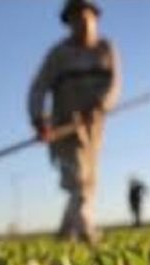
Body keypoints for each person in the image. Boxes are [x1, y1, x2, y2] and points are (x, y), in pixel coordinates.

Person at [28, 0, 121, 243]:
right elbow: (38, 88)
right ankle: (85, 230)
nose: (81, 23)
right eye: (75, 18)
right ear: (68, 22)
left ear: (95, 18)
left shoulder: (106, 49)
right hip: (64, 129)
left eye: (85, 17)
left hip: (93, 130)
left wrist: (100, 105)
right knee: (78, 178)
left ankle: (65, 231)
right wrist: (39, 119)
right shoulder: (59, 55)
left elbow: (113, 85)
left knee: (88, 180)